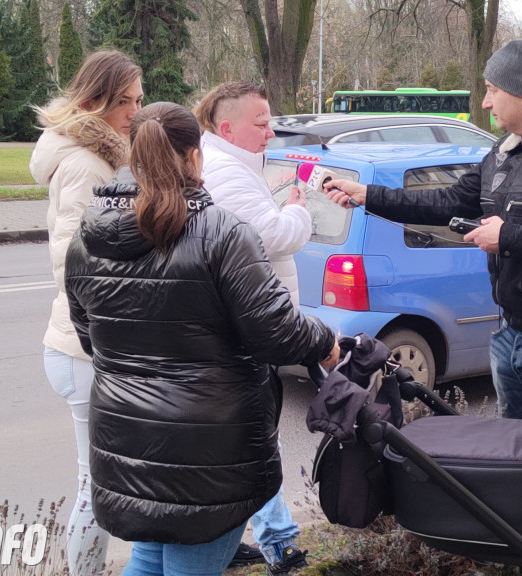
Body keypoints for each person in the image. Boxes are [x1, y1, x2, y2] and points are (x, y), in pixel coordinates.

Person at [64, 101, 339, 576]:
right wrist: (326, 341)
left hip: (127, 438)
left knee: (150, 556)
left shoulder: (87, 238)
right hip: (209, 455)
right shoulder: (221, 233)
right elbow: (277, 332)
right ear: (196, 158)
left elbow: (91, 338)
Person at [322, 38, 522, 424]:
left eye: (492, 91)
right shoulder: (505, 150)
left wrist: (507, 237)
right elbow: (448, 201)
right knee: (513, 457)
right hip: (511, 335)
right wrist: (367, 195)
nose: (485, 102)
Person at [29, 48, 143, 576]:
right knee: (93, 484)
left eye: (140, 101)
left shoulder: (102, 156)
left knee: (103, 479)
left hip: (84, 344)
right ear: (95, 101)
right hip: (84, 347)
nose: (135, 113)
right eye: (127, 102)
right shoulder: (84, 164)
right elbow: (72, 264)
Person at [193, 82, 312, 574]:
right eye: (260, 122)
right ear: (227, 129)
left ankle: (242, 538)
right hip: (247, 328)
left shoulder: (233, 165)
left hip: (245, 323)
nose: (271, 130)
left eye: (270, 120)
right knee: (258, 438)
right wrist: (300, 208)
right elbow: (275, 238)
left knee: (253, 438)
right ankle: (277, 544)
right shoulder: (227, 173)